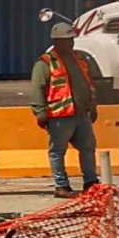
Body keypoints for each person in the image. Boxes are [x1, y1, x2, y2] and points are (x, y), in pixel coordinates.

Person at [33, 28, 103, 195]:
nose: (69, 43)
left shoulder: (79, 60)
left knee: (88, 148)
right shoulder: (45, 63)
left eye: (71, 39)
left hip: (80, 114)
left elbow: (88, 85)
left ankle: (91, 182)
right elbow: (38, 88)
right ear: (56, 41)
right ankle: (61, 185)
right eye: (65, 40)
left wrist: (92, 107)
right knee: (57, 151)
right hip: (60, 116)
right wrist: (40, 112)